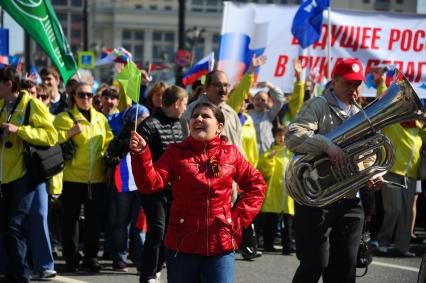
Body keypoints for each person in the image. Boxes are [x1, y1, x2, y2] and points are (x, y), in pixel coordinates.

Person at [130, 102, 266, 283]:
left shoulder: (231, 154)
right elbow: (150, 184)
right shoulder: (175, 153)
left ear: (219, 127)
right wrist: (141, 155)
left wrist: (237, 221)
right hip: (182, 243)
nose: (198, 119)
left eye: (205, 116)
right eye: (195, 116)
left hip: (221, 243)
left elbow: (257, 185)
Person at [285, 58, 383, 283]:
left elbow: (367, 154)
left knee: (345, 270)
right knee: (315, 263)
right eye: (348, 83)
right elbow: (293, 136)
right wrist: (326, 145)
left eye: (357, 84)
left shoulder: (360, 112)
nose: (353, 88)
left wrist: (373, 173)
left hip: (350, 200)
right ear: (334, 81)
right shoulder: (318, 105)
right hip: (316, 200)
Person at [0, 66, 57, 283]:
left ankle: (21, 274)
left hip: (24, 174)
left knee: (15, 225)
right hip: (4, 175)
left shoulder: (32, 104)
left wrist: (20, 130)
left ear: (8, 85)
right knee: (6, 226)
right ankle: (14, 272)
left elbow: (50, 136)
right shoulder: (2, 104)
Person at [53, 82, 113, 272]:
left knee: (94, 221)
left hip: (96, 178)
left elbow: (107, 142)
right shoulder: (64, 117)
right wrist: (70, 132)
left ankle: (91, 257)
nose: (86, 98)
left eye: (89, 94)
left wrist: (109, 156)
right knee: (70, 221)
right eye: (81, 94)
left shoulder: (101, 119)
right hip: (71, 178)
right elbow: (51, 139)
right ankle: (71, 258)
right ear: (73, 96)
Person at [136, 86, 188, 283]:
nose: (185, 108)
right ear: (176, 104)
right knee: (157, 230)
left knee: (170, 232)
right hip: (154, 188)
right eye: (184, 104)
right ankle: (147, 274)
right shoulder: (149, 124)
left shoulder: (183, 124)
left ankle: (158, 268)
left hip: (176, 189)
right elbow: (138, 155)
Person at [257, 126, 295, 255]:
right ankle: (268, 244)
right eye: (279, 135)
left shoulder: (292, 153)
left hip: (288, 193)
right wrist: (270, 159)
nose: (282, 138)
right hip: (274, 192)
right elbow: (264, 172)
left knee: (288, 223)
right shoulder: (269, 153)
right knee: (271, 221)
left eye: (284, 136)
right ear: (275, 137)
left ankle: (288, 246)